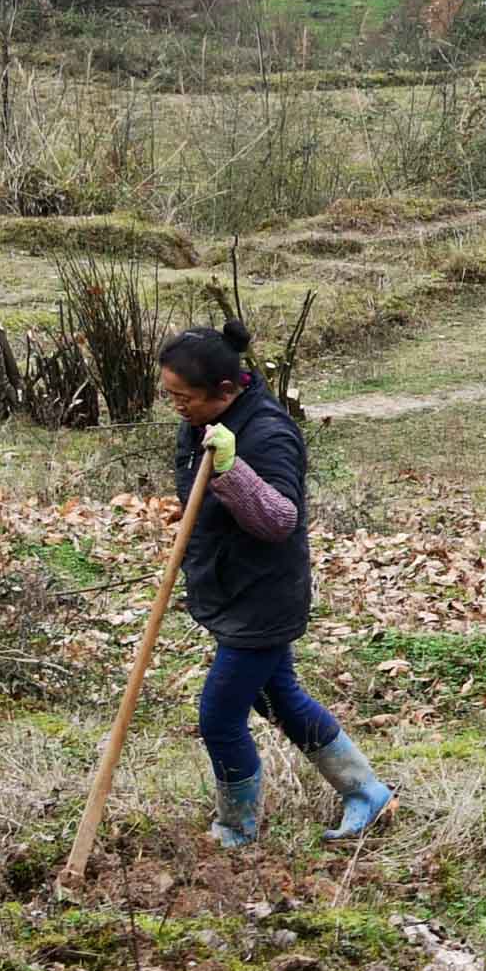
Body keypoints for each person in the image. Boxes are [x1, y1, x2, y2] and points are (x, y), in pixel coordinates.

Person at [160, 325, 391, 849]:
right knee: (275, 696)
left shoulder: (266, 433)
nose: (177, 407)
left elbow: (278, 518)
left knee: (220, 718)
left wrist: (230, 468)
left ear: (225, 388)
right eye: (170, 396)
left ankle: (235, 829)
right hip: (230, 584)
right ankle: (366, 792)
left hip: (262, 597)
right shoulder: (210, 416)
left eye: (185, 397)